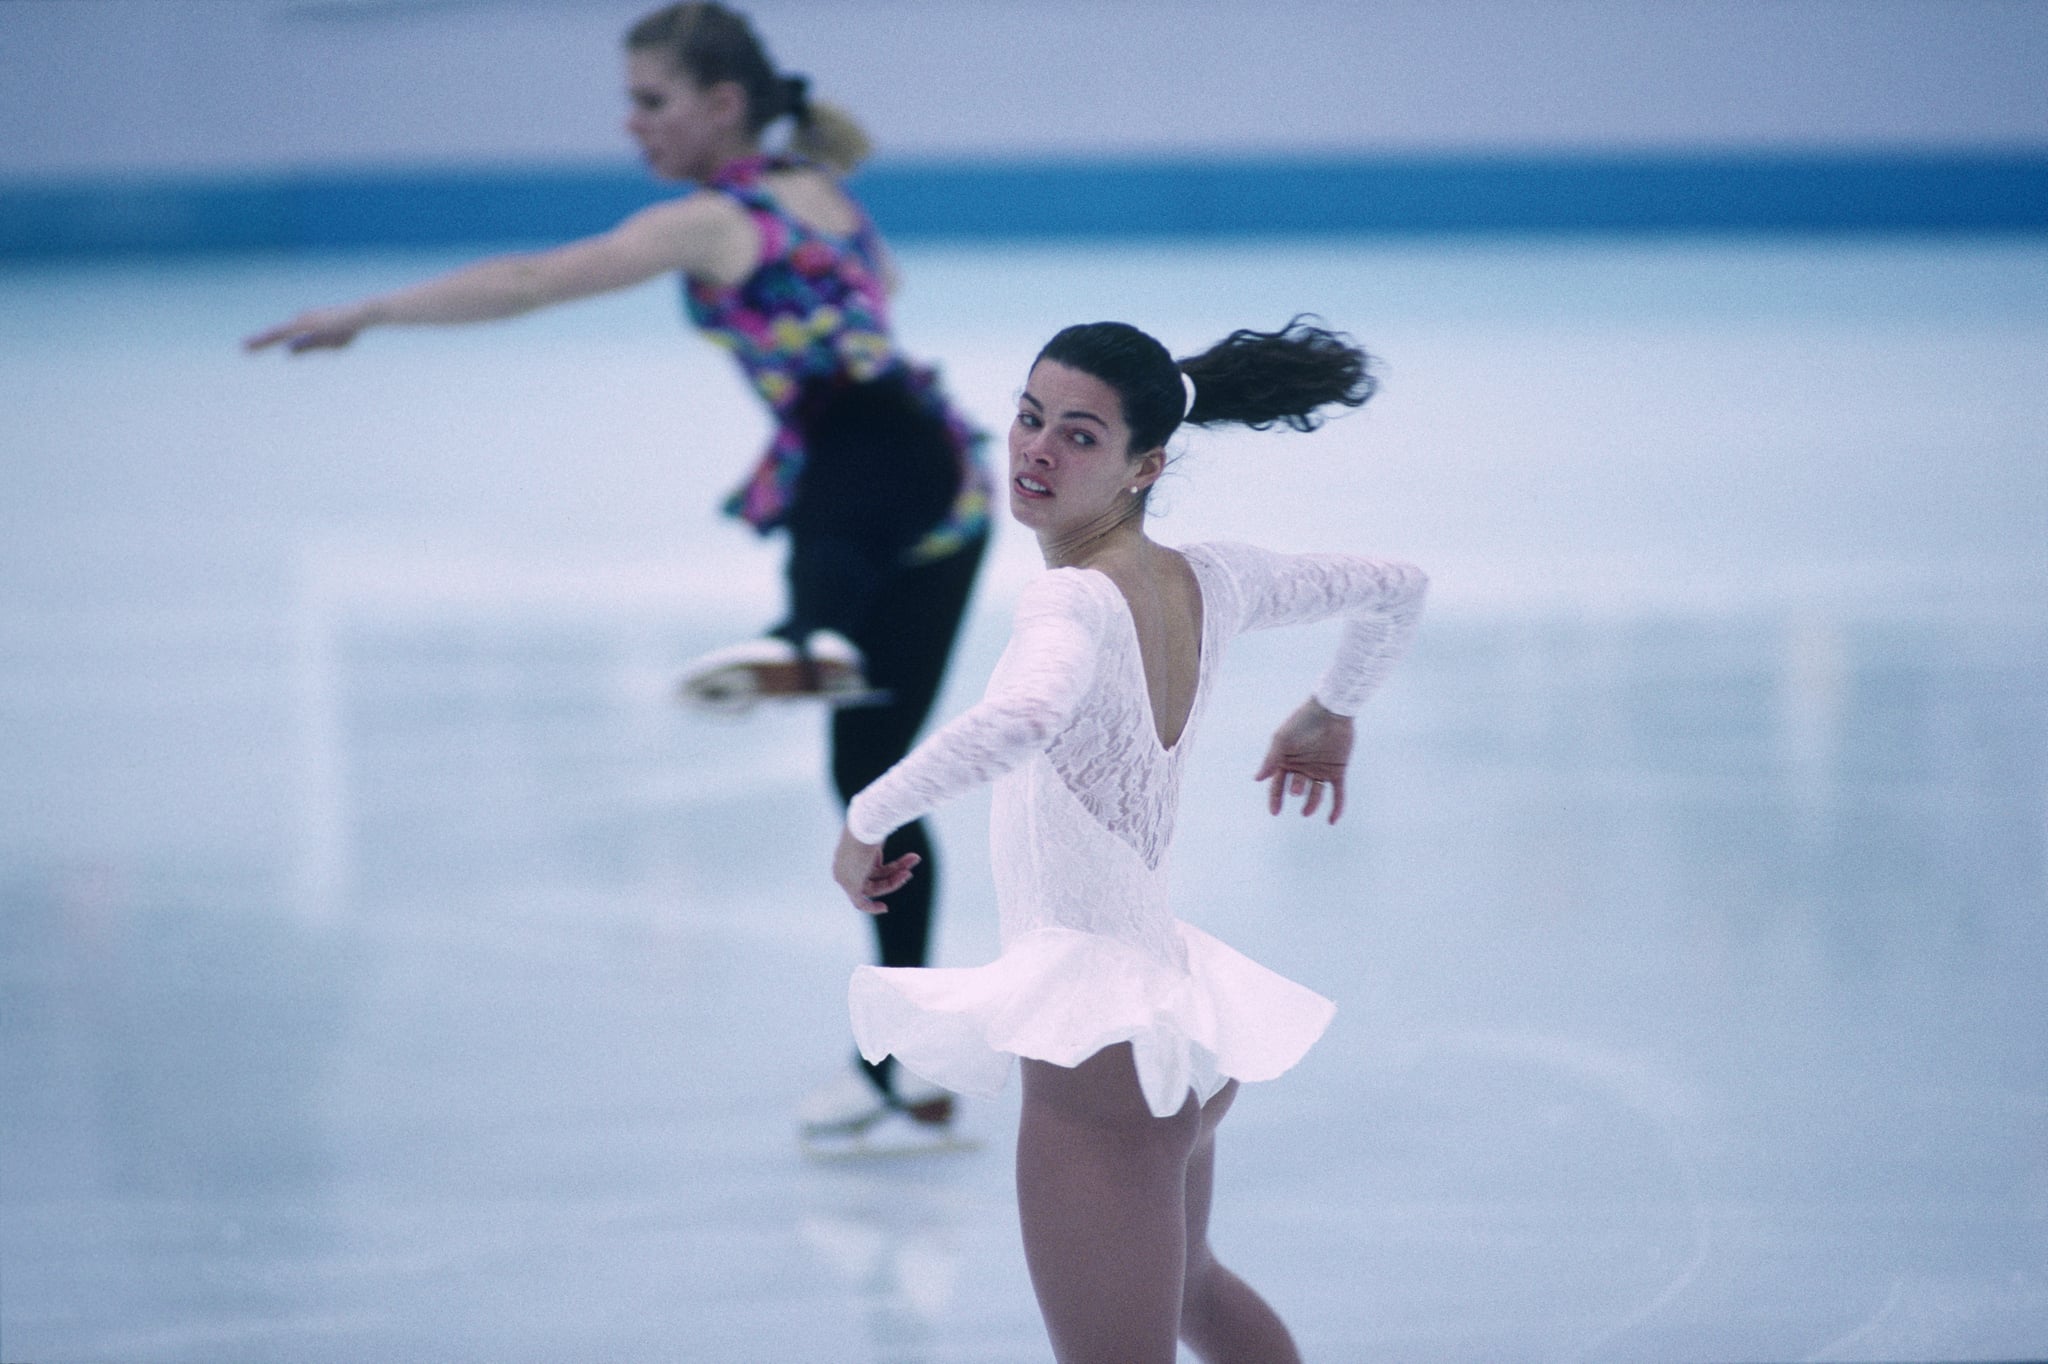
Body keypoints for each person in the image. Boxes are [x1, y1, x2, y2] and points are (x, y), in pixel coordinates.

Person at [246, 1, 991, 1144]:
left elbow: (536, 280)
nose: (632, 124)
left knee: (835, 461)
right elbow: (872, 296)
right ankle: (908, 1052)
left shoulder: (711, 220)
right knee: (876, 789)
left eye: (651, 101)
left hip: (875, 463)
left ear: (720, 104)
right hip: (944, 496)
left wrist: (376, 311)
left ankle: (806, 636)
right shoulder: (821, 189)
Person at [830, 318, 1427, 1362]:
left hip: (1096, 1068)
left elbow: (1020, 718)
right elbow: (1394, 585)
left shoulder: (1069, 602)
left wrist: (865, 816)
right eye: (1027, 418)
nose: (1035, 452)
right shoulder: (1216, 578)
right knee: (1191, 1292)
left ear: (1144, 466)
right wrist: (1332, 708)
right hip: (1170, 1025)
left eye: (1078, 436)